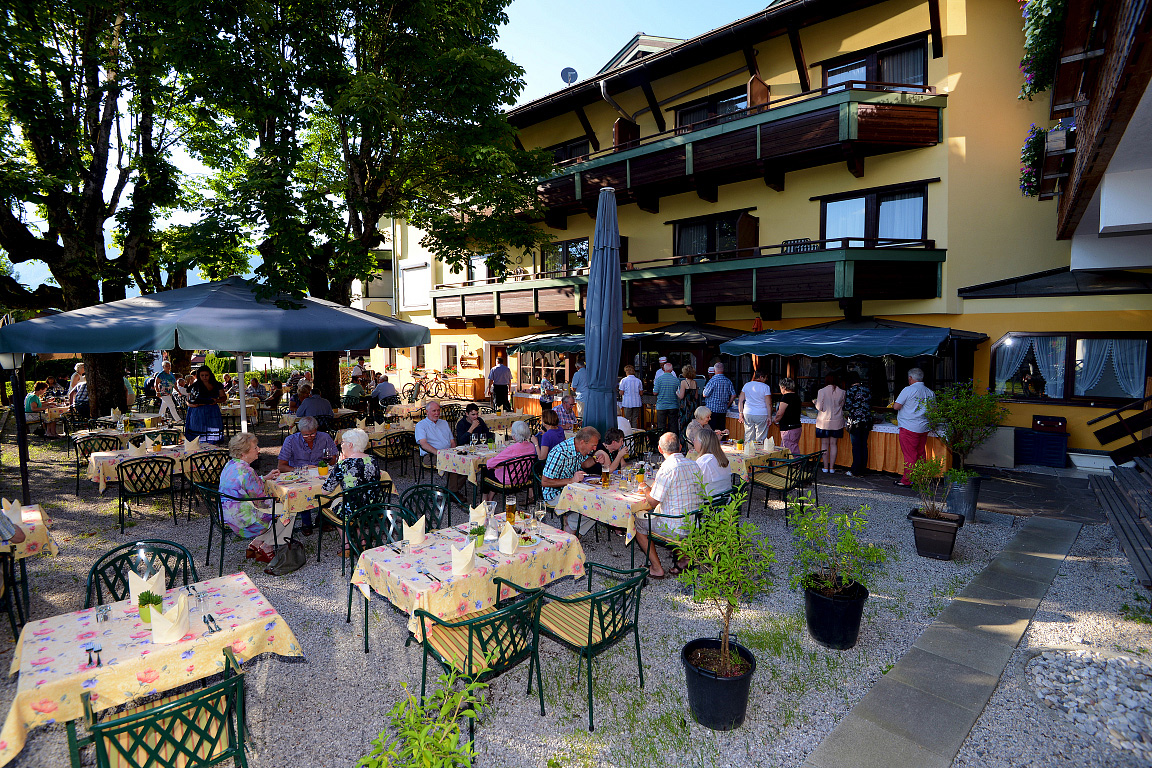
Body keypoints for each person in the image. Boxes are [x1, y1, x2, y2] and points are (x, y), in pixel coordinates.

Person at [635, 432, 704, 578]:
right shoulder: (694, 464)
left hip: (675, 527)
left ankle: (656, 568)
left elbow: (652, 502)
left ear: (660, 449)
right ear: (680, 446)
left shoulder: (667, 468)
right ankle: (684, 559)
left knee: (638, 523)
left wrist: (645, 488)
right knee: (675, 510)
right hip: (694, 523)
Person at [218, 432, 286, 563]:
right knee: (288, 510)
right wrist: (279, 499)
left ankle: (256, 544)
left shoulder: (231, 464)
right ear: (244, 453)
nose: (259, 450)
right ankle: (267, 546)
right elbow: (261, 502)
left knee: (280, 508)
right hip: (242, 522)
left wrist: (264, 478)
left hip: (227, 515)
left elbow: (243, 484)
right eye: (255, 448)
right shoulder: (247, 472)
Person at [277, 415, 338, 535]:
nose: (309, 437)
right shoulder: (291, 440)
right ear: (300, 431)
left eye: (312, 434)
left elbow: (333, 458)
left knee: (332, 486)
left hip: (320, 473)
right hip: (299, 475)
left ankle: (322, 518)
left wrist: (329, 461)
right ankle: (306, 522)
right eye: (305, 435)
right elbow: (281, 466)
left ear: (317, 428)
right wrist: (301, 469)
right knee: (301, 491)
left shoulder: (324, 437)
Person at [321, 428, 380, 544]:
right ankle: (362, 540)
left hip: (351, 511)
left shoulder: (343, 464)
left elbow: (325, 491)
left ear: (350, 445)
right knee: (353, 501)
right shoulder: (373, 460)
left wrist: (340, 464)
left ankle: (346, 544)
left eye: (342, 442)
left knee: (336, 503)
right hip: (372, 507)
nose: (341, 446)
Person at [541, 426, 601, 535]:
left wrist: (595, 460)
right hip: (554, 493)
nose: (595, 448)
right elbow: (544, 482)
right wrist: (572, 480)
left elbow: (584, 464)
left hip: (573, 489)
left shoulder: (579, 448)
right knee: (592, 506)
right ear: (582, 442)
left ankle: (571, 524)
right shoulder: (560, 452)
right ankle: (572, 528)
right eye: (593, 445)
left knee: (599, 502)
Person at [893, 368, 934, 487]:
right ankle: (920, 478)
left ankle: (907, 480)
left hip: (909, 426)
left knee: (910, 455)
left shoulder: (908, 389)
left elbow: (896, 406)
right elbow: (933, 410)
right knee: (921, 453)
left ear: (910, 378)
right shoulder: (930, 392)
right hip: (924, 427)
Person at [415, 401, 464, 493]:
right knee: (452, 463)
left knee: (465, 462)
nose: (437, 413)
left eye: (438, 410)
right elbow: (423, 444)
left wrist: (453, 451)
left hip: (448, 452)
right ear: (427, 412)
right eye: (434, 411)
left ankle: (450, 490)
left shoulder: (444, 423)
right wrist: (439, 453)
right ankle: (453, 493)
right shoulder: (421, 425)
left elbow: (452, 441)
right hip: (431, 455)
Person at [485, 421, 538, 500]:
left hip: (508, 480)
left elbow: (490, 463)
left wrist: (495, 465)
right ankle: (490, 497)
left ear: (514, 435)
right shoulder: (531, 446)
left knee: (485, 470)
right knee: (496, 469)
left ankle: (485, 500)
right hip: (523, 477)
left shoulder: (512, 449)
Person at [185, 365, 227, 443]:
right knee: (197, 437)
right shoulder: (194, 386)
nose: (204, 377)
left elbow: (223, 397)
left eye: (206, 375)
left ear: (210, 375)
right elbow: (188, 401)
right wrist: (193, 405)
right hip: (198, 411)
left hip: (212, 410)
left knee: (213, 435)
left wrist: (217, 400)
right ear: (199, 376)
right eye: (202, 375)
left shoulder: (217, 385)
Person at [815, 374, 846, 474]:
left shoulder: (822, 391)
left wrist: (815, 402)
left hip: (823, 422)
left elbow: (819, 407)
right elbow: (842, 405)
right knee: (833, 444)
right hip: (837, 421)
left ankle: (825, 467)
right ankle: (832, 468)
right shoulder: (842, 392)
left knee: (824, 444)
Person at [844, 372, 872, 477]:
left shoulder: (851, 391)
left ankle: (855, 470)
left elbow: (847, 406)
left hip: (855, 421)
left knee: (856, 446)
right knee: (864, 445)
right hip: (866, 421)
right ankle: (863, 469)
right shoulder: (866, 390)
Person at [694, 429, 732, 497]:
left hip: (711, 501)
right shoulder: (722, 458)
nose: (693, 442)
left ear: (702, 443)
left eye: (695, 439)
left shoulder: (704, 462)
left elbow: (695, 485)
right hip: (726, 499)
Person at [738, 370, 772, 444]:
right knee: (761, 438)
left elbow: (740, 400)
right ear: (761, 377)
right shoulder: (765, 387)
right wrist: (769, 416)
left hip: (748, 413)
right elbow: (768, 403)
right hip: (761, 413)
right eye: (765, 378)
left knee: (748, 437)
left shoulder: (747, 385)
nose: (766, 379)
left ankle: (748, 450)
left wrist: (740, 413)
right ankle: (760, 450)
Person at [701, 362, 736, 432]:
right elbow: (733, 395)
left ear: (714, 370)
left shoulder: (712, 381)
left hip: (712, 409)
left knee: (711, 431)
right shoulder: (728, 381)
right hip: (723, 410)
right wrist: (728, 404)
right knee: (721, 431)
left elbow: (705, 394)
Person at [772, 378, 803, 455]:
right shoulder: (797, 396)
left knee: (789, 451)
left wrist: (775, 420)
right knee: (792, 447)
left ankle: (795, 463)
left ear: (784, 387)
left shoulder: (786, 397)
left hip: (788, 427)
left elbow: (780, 413)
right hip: (797, 426)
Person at [653, 361, 679, 436]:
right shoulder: (676, 380)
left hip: (661, 406)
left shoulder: (659, 379)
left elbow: (655, 393)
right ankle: (674, 440)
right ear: (672, 370)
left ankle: (661, 441)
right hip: (673, 405)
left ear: (664, 369)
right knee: (673, 426)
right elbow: (679, 393)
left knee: (661, 426)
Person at [677, 365, 701, 441]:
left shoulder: (683, 382)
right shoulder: (695, 383)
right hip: (693, 406)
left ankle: (683, 443)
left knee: (683, 426)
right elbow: (696, 397)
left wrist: (677, 392)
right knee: (692, 426)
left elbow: (681, 396)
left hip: (685, 406)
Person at [618, 364, 643, 428]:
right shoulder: (638, 380)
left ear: (626, 372)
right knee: (635, 419)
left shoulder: (624, 380)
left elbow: (621, 392)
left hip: (628, 402)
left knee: (627, 419)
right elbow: (641, 393)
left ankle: (628, 431)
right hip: (636, 402)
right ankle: (635, 431)